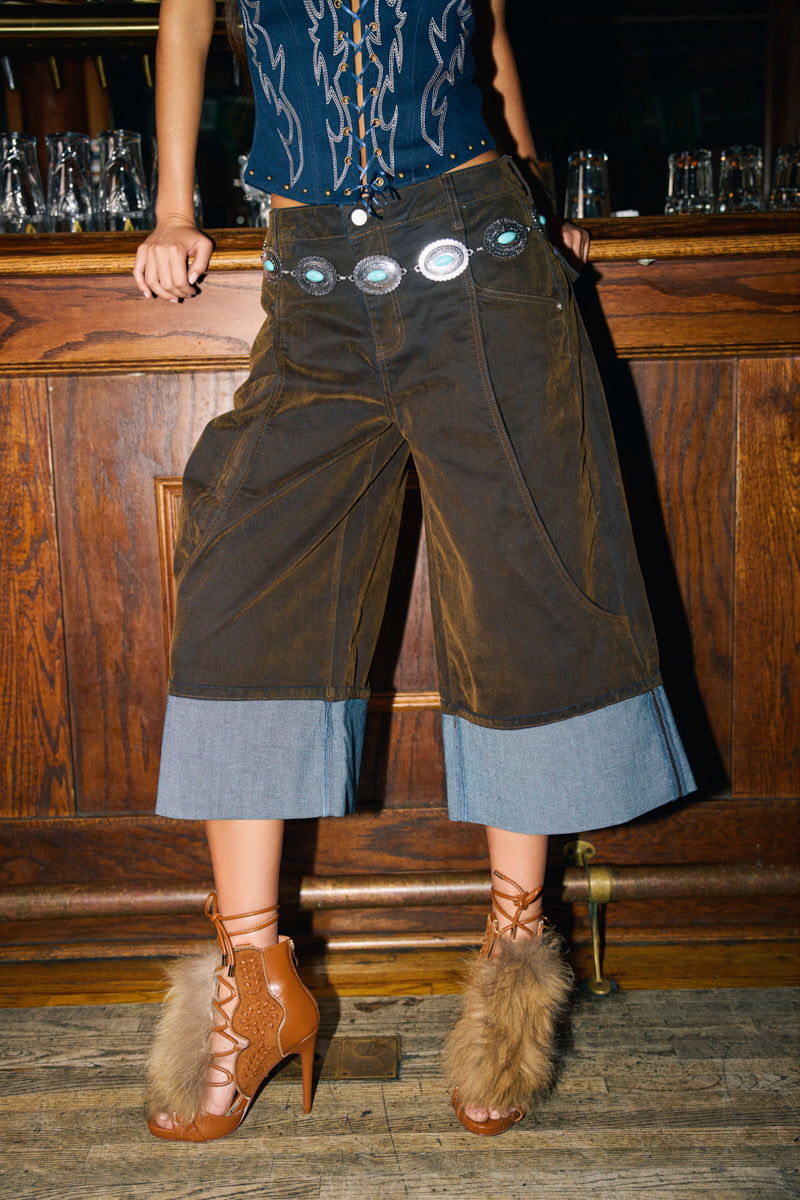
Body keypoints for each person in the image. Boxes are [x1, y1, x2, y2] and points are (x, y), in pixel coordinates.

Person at [134, 0, 695, 1143]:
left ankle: (509, 972)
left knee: (523, 595)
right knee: (239, 598)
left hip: (478, 259)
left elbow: (485, 36)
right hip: (310, 289)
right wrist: (173, 208)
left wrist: (536, 189)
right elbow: (184, 20)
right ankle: (254, 988)